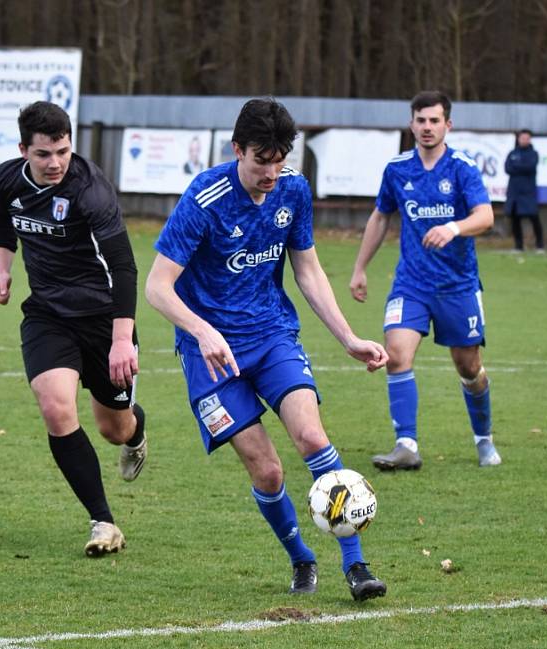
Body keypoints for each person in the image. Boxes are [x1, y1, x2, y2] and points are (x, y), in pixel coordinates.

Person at [146, 97, 389, 602]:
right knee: (269, 469)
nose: (271, 172)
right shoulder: (204, 198)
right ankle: (301, 558)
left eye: (280, 159)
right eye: (261, 160)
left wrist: (348, 337)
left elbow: (307, 269)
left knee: (310, 437)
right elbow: (157, 287)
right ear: (237, 149)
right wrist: (201, 330)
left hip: (272, 335)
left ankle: (356, 565)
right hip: (209, 355)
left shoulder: (293, 191)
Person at [0, 101, 148, 556]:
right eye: (43, 154)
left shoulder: (90, 191)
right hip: (48, 315)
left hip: (103, 319)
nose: (55, 162)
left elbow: (123, 266)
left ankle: (136, 432)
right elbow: (2, 220)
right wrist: (3, 269)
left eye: (62, 150)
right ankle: (104, 522)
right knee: (56, 408)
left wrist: (121, 341)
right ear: (24, 150)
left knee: (113, 429)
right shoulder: (5, 180)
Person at [349, 90, 502, 471]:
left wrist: (453, 227)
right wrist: (359, 267)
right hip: (411, 284)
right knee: (396, 354)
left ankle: (484, 438)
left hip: (458, 285)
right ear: (411, 124)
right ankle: (406, 445)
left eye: (435, 120)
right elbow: (381, 217)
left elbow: (485, 217)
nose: (427, 127)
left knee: (468, 367)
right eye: (421, 120)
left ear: (447, 125)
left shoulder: (462, 168)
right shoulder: (397, 169)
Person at [504, 129, 544, 252]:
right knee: (515, 220)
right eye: (522, 138)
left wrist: (517, 166)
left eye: (527, 138)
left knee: (534, 218)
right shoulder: (512, 153)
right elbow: (508, 168)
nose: (524, 140)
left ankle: (540, 245)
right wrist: (520, 167)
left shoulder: (533, 154)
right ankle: (518, 246)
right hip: (514, 192)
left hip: (528, 192)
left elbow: (530, 167)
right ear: (518, 139)